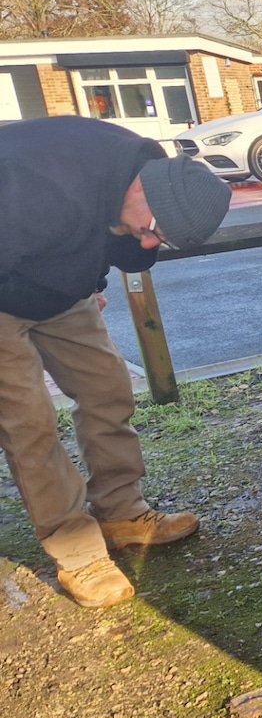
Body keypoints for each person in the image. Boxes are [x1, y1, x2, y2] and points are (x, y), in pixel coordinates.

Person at [0, 116, 232, 608]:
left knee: (109, 389)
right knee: (28, 421)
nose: (149, 243)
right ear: (143, 194)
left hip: (56, 288)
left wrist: (89, 282)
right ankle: (75, 548)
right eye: (152, 231)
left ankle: (121, 512)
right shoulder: (43, 187)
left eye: (159, 240)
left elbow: (104, 236)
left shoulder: (136, 176)